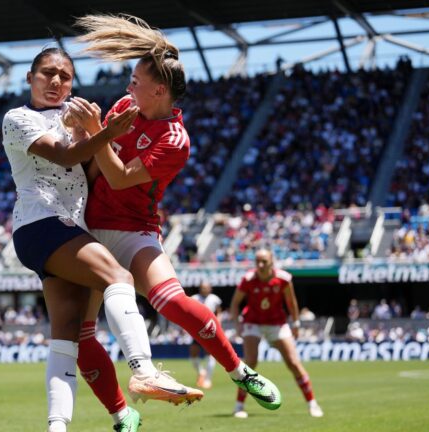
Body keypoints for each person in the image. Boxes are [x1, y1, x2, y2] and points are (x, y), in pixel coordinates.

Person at [63, 14, 281, 423]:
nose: (127, 87)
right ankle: (122, 415)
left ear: (159, 90)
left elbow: (120, 177)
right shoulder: (126, 106)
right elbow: (94, 166)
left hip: (134, 230)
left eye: (135, 80)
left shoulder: (175, 141)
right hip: (89, 228)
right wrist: (84, 136)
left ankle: (240, 372)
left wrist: (98, 132)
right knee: (82, 334)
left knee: (172, 301)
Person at [2, 46, 200, 432]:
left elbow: (96, 165)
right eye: (46, 73)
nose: (56, 81)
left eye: (65, 76)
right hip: (42, 224)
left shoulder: (77, 115)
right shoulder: (18, 118)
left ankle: (61, 426)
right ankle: (143, 369)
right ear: (29, 78)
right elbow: (65, 156)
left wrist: (91, 128)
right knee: (119, 277)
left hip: (68, 228)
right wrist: (103, 131)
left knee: (68, 335)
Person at [228, 249, 323, 418]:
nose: (261, 265)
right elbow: (235, 304)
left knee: (293, 362)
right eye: (258, 262)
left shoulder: (284, 279)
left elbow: (291, 302)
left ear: (272, 261)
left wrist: (296, 323)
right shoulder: (248, 279)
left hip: (277, 324)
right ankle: (239, 406)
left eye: (264, 261)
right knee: (250, 363)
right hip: (253, 322)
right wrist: (237, 325)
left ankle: (312, 404)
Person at [188, 282, 221, 390]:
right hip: (197, 329)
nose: (204, 289)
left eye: (206, 287)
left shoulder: (214, 299)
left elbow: (218, 313)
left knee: (210, 353)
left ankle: (208, 379)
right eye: (202, 287)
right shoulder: (194, 298)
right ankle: (201, 372)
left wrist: (218, 324)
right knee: (193, 353)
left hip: (210, 329)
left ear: (210, 288)